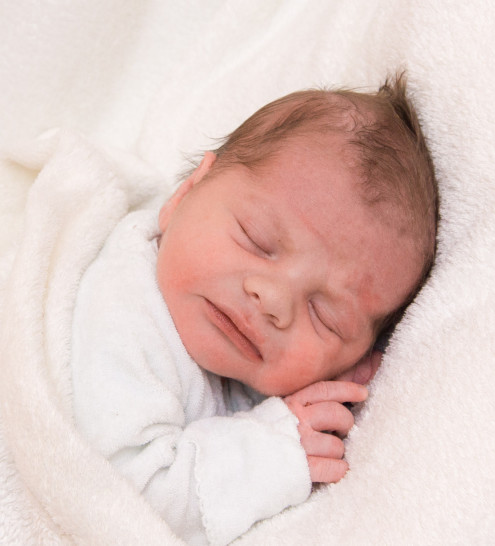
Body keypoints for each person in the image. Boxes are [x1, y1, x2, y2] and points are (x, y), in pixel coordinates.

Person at [70, 73, 437, 545]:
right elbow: (122, 500)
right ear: (184, 195)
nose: (273, 300)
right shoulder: (123, 308)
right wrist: (274, 446)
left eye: (326, 317)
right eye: (257, 241)